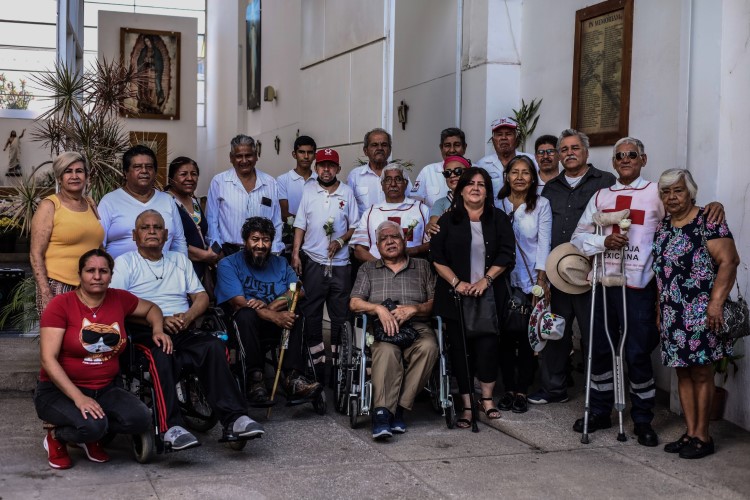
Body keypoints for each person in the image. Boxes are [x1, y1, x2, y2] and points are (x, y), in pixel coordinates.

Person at [570, 139, 725, 446]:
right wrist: (603, 242)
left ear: (643, 159)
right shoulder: (601, 196)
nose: (625, 159)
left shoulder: (657, 192)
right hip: (603, 284)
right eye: (620, 156)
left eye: (632, 154)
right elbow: (578, 236)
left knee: (637, 352)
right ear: (614, 162)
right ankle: (599, 410)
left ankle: (642, 419)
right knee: (599, 349)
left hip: (639, 286)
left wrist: (714, 205)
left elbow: (684, 214)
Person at [111, 210, 265, 451]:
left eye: (157, 227)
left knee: (214, 346)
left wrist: (188, 316)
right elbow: (117, 306)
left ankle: (234, 419)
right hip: (145, 331)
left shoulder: (179, 260)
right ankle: (170, 428)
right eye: (145, 227)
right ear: (134, 235)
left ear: (166, 235)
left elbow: (201, 296)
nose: (151, 231)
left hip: (183, 327)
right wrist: (159, 321)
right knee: (161, 354)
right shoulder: (124, 263)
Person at [34, 249, 165, 470]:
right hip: (59, 392)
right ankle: (57, 436)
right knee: (93, 426)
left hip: (106, 388)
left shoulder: (119, 299)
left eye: (103, 271)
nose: (97, 276)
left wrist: (158, 329)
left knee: (141, 418)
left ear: (111, 276)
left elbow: (152, 308)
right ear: (80, 274)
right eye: (90, 271)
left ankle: (92, 433)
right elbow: (48, 359)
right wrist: (79, 398)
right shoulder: (60, 305)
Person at [653, 169, 738, 459]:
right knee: (682, 372)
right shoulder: (664, 226)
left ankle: (704, 436)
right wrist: (660, 308)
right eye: (666, 192)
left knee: (701, 373)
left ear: (690, 192)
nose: (672, 197)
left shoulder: (708, 221)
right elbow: (662, 273)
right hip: (672, 313)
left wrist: (715, 303)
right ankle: (690, 432)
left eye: (678, 190)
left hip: (702, 313)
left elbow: (729, 261)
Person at [529, 129, 616, 406]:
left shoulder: (605, 181)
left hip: (591, 272)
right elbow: (543, 232)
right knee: (555, 331)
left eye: (574, 148)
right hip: (558, 273)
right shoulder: (550, 188)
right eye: (564, 149)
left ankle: (597, 392)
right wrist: (543, 276)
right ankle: (554, 389)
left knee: (594, 333)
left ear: (586, 152)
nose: (569, 153)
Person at [430, 167, 515, 427]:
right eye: (470, 183)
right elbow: (436, 257)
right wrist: (457, 283)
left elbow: (506, 253)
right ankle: (467, 405)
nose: (475, 188)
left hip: (489, 294)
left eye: (481, 184)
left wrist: (485, 281)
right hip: (454, 295)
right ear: (461, 189)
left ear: (488, 191)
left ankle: (486, 399)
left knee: (488, 347)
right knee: (460, 350)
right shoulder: (447, 220)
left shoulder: (498, 218)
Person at [216, 217, 322, 404]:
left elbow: (298, 290)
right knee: (246, 314)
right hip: (244, 326)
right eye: (255, 239)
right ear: (245, 241)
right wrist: (273, 316)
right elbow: (239, 302)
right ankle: (255, 379)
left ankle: (293, 378)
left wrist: (271, 306)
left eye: (266, 240)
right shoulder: (228, 264)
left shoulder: (280, 263)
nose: (260, 245)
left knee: (296, 313)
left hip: (276, 325)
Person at [350, 221, 438, 440]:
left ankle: (398, 408)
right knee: (386, 352)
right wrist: (378, 309)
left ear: (404, 240)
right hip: (384, 329)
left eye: (394, 237)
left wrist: (415, 309)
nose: (389, 242)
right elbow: (354, 303)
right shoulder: (368, 269)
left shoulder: (422, 266)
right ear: (377, 245)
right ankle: (381, 413)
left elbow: (434, 302)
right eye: (383, 239)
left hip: (417, 326)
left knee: (429, 347)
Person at [291, 148, 359, 378]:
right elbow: (300, 223)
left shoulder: (347, 192)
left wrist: (340, 240)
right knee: (312, 314)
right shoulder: (308, 190)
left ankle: (339, 368)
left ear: (338, 168)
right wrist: (295, 253)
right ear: (316, 168)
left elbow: (355, 225)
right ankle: (316, 365)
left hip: (340, 264)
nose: (326, 169)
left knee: (340, 316)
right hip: (313, 262)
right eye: (322, 165)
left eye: (331, 165)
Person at [496, 155, 552, 414]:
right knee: (505, 337)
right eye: (514, 172)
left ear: (533, 178)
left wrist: (541, 283)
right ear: (507, 176)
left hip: (530, 281)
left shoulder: (541, 204)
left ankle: (522, 390)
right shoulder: (497, 203)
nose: (519, 177)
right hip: (501, 280)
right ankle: (508, 389)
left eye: (525, 172)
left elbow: (543, 244)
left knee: (528, 337)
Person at [30, 152, 104, 315]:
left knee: (89, 331)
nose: (74, 176)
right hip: (58, 286)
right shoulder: (49, 206)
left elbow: (97, 244)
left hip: (91, 286)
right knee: (58, 332)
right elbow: (36, 254)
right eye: (68, 171)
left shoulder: (90, 203)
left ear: (86, 176)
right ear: (59, 177)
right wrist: (45, 291)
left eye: (79, 171)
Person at [98, 145, 187, 259]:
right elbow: (98, 243)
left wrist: (182, 267)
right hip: (120, 269)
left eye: (149, 167)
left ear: (155, 172)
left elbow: (179, 242)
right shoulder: (109, 201)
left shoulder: (167, 200)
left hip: (164, 269)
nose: (144, 171)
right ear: (125, 172)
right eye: (137, 167)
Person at [207, 134, 283, 255]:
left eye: (248, 155)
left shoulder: (270, 183)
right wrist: (217, 250)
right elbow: (212, 220)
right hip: (229, 252)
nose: (244, 160)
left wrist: (274, 251)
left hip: (262, 252)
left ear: (256, 156)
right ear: (231, 158)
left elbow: (276, 221)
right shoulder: (219, 182)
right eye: (239, 156)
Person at [351, 163, 430, 262]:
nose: (393, 184)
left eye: (398, 179)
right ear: (382, 185)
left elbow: (432, 244)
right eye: (388, 180)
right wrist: (380, 265)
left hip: (413, 267)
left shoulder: (421, 209)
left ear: (406, 183)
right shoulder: (370, 213)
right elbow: (359, 250)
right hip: (377, 268)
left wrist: (412, 251)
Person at [166, 156, 219, 280]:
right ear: (171, 179)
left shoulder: (194, 201)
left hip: (200, 269)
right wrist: (203, 255)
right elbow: (169, 241)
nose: (190, 178)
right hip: (179, 270)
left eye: (194, 174)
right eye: (183, 174)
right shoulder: (165, 202)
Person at [347, 128, 412, 215]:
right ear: (365, 151)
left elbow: (410, 202)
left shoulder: (400, 174)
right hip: (365, 223)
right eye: (374, 145)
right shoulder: (355, 176)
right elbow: (349, 208)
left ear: (390, 150)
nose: (380, 148)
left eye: (384, 145)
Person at [477, 118, 537, 199]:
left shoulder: (531, 161)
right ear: (493, 140)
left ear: (516, 139)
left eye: (508, 134)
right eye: (499, 134)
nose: (504, 138)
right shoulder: (482, 164)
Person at [278, 136, 318, 254]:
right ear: (294, 154)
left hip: (316, 237)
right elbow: (284, 214)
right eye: (301, 152)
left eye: (310, 152)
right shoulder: (283, 180)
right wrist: (309, 224)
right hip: (290, 236)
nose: (306, 156)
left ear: (314, 156)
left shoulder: (319, 180)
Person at [410, 127, 468, 207]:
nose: (452, 150)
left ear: (464, 147)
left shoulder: (475, 171)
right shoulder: (428, 171)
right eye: (447, 145)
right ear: (441, 148)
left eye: (457, 145)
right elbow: (415, 203)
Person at [425, 155, 471, 237]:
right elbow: (432, 224)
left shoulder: (476, 198)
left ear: (468, 173)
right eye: (447, 173)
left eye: (458, 171)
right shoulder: (440, 203)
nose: (452, 175)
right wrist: (430, 227)